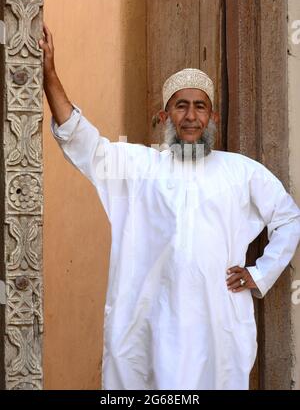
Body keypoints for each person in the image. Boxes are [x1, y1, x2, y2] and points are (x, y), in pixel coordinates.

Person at [39, 24, 300, 390]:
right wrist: (50, 75)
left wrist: (260, 273)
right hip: (149, 326)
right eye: (181, 106)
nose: (191, 116)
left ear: (212, 117)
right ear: (164, 117)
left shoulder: (241, 172)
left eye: (200, 107)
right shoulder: (138, 165)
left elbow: (289, 218)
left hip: (216, 325)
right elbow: (83, 143)